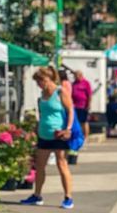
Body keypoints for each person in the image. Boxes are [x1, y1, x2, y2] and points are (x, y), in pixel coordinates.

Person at [21, 67, 75, 209]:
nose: (39, 84)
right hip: (44, 134)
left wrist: (68, 129)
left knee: (61, 164)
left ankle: (68, 197)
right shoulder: (41, 95)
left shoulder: (60, 92)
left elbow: (70, 111)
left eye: (40, 81)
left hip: (59, 135)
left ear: (48, 79)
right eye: (37, 82)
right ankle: (37, 195)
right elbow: (42, 114)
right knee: (39, 166)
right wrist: (36, 129)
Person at [72, 70, 92, 140]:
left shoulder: (86, 83)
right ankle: (79, 136)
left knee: (84, 121)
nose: (75, 77)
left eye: (76, 76)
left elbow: (89, 95)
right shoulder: (74, 83)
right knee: (77, 121)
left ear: (81, 75)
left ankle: (86, 136)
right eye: (74, 76)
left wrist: (88, 104)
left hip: (83, 105)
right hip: (75, 106)